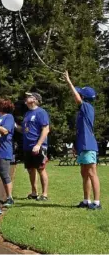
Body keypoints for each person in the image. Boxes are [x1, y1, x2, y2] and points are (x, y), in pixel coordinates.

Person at [64, 71, 101, 210]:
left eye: (80, 94)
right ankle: (86, 200)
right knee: (84, 174)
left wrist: (69, 82)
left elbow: (76, 97)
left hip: (88, 145)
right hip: (83, 145)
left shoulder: (86, 106)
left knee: (92, 173)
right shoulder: (83, 111)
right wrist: (76, 145)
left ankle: (96, 203)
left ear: (84, 97)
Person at [15, 92, 50, 201]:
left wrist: (38, 145)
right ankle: (34, 192)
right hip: (27, 146)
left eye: (29, 97)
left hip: (38, 146)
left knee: (41, 169)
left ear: (35, 100)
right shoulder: (27, 114)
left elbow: (46, 129)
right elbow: (23, 130)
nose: (26, 98)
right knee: (31, 170)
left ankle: (44, 194)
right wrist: (14, 125)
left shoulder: (41, 112)